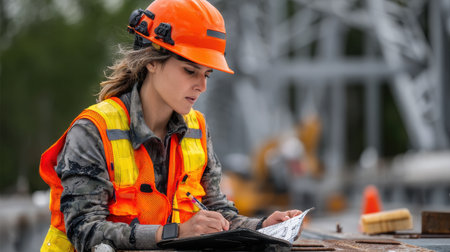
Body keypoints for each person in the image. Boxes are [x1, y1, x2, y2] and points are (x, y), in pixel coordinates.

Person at [39, 0, 302, 251]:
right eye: (190, 70)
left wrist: (262, 227)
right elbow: (84, 230)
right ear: (152, 61)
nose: (202, 86)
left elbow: (218, 214)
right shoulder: (93, 130)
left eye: (206, 74)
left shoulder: (197, 129)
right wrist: (176, 233)